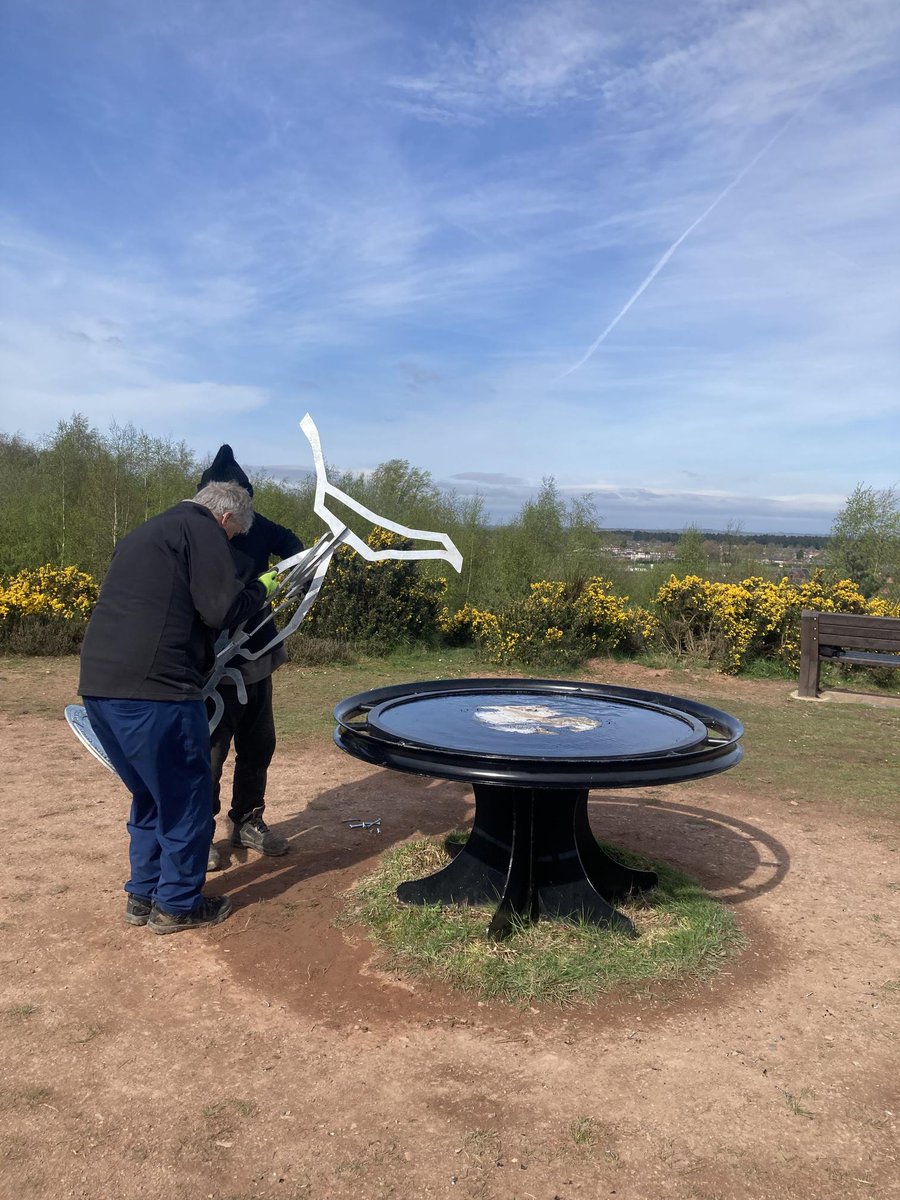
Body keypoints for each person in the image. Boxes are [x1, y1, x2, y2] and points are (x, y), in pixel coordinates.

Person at [78, 481, 278, 934]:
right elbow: (221, 609)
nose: (227, 545)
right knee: (187, 797)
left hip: (101, 688)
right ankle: (178, 905)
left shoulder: (146, 532)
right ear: (226, 518)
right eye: (232, 537)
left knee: (150, 794)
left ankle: (142, 896)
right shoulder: (201, 529)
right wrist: (259, 589)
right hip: (158, 691)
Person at [196, 446, 303, 870]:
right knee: (210, 750)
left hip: (257, 653)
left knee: (259, 745)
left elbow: (293, 545)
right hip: (211, 662)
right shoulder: (197, 533)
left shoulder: (258, 526)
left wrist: (286, 576)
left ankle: (247, 820)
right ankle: (199, 832)